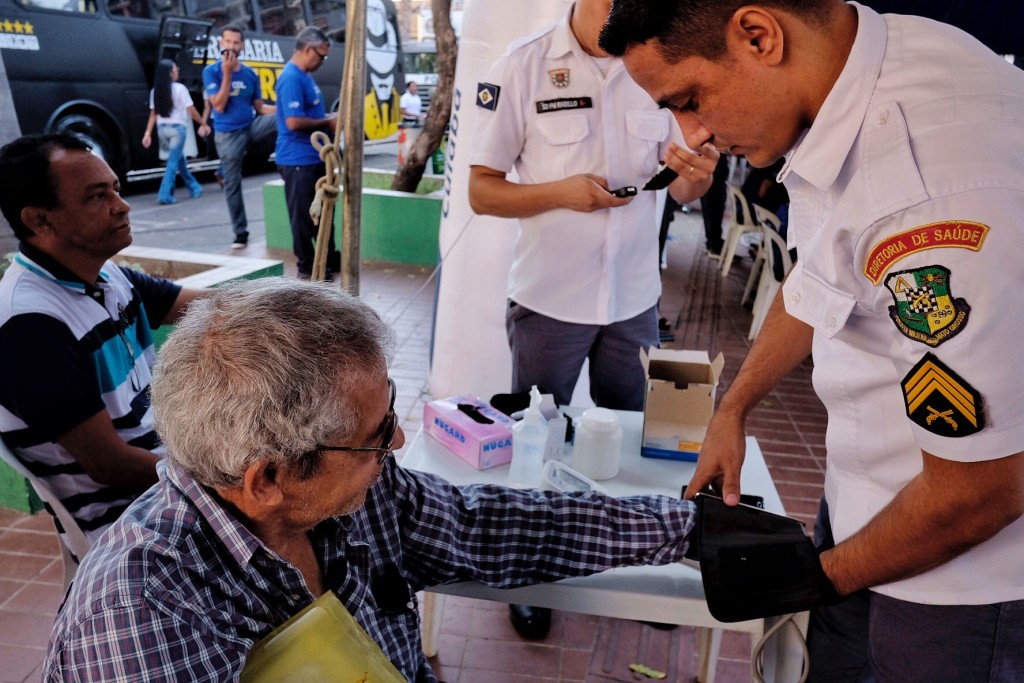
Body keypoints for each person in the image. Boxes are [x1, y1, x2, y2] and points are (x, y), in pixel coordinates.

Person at [601, 1, 1024, 680]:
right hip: (869, 512)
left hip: (961, 582)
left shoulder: (934, 187)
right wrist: (732, 409)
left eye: (689, 99)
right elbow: (821, 277)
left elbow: (980, 492)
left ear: (759, 35)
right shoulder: (855, 74)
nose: (693, 134)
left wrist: (812, 578)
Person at [43, 277, 698, 682]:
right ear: (267, 477)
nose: (401, 440)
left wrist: (688, 528)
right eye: (379, 430)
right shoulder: (141, 609)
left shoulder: (353, 494)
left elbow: (487, 524)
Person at [467, 0, 716, 637]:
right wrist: (562, 192)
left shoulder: (656, 61)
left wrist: (697, 175)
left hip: (634, 298)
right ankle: (533, 580)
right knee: (536, 442)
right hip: (550, 298)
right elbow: (482, 189)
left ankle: (639, 570)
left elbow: (683, 188)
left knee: (634, 444)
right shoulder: (523, 67)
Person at [0, 133, 208, 548]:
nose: (122, 205)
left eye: (115, 188)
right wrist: (216, 486)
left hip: (168, 473)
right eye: (97, 196)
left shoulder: (108, 277)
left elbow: (208, 308)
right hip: (131, 519)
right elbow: (109, 465)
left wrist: (292, 305)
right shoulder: (28, 326)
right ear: (39, 220)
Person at [275, 26, 341, 280]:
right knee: (303, 217)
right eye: (321, 56)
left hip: (314, 158)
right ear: (306, 49)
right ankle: (307, 267)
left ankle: (327, 258)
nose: (322, 62)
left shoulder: (306, 76)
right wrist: (328, 122)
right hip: (297, 159)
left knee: (324, 215)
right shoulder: (291, 77)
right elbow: (293, 122)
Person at [203, 25, 276, 250]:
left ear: (242, 45)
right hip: (228, 135)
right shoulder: (212, 72)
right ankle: (240, 233)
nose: (232, 47)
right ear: (220, 44)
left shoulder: (250, 74)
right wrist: (227, 74)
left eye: (236, 43)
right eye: (228, 42)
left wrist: (284, 109)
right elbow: (219, 105)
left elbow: (261, 108)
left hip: (251, 127)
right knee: (233, 185)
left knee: (283, 119)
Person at [142, 59, 209, 205]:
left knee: (179, 161)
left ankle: (195, 187)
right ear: (170, 73)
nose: (177, 70)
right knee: (172, 164)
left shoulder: (156, 91)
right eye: (175, 69)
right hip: (177, 130)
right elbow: (191, 110)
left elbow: (153, 114)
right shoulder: (180, 89)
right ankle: (165, 195)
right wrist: (203, 123)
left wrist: (147, 133)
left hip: (162, 131)